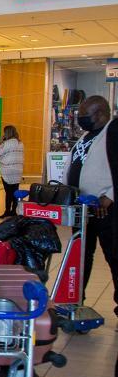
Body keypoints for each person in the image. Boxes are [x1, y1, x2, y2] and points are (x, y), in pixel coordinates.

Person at [67, 95, 118, 316]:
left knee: (114, 258)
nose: (80, 119)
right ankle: (76, 302)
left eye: (83, 116)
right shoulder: (86, 136)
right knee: (80, 257)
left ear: (99, 114)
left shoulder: (112, 133)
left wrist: (110, 195)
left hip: (105, 209)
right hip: (81, 210)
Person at [0, 125, 24, 218]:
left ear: (7, 133)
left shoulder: (6, 143)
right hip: (18, 170)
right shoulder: (20, 143)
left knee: (8, 192)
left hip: (8, 171)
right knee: (15, 191)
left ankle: (7, 211)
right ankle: (14, 211)